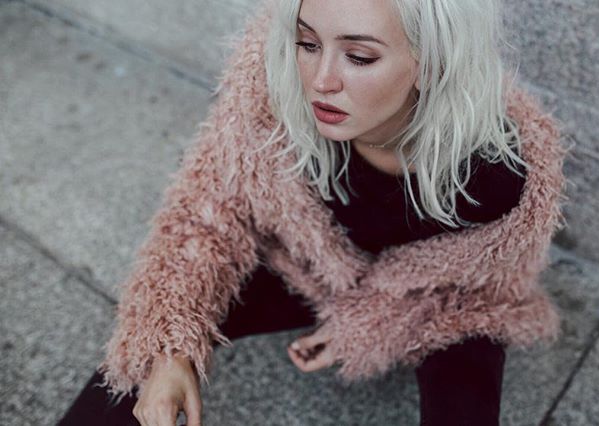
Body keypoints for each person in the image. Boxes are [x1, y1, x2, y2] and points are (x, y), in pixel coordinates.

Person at [57, 0, 570, 425]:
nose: (321, 80)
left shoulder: (501, 172)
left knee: (466, 391)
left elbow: (483, 294)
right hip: (302, 266)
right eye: (308, 44)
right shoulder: (268, 89)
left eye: (359, 57)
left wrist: (368, 322)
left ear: (431, 63)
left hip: (430, 301)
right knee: (146, 364)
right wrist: (171, 352)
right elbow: (205, 214)